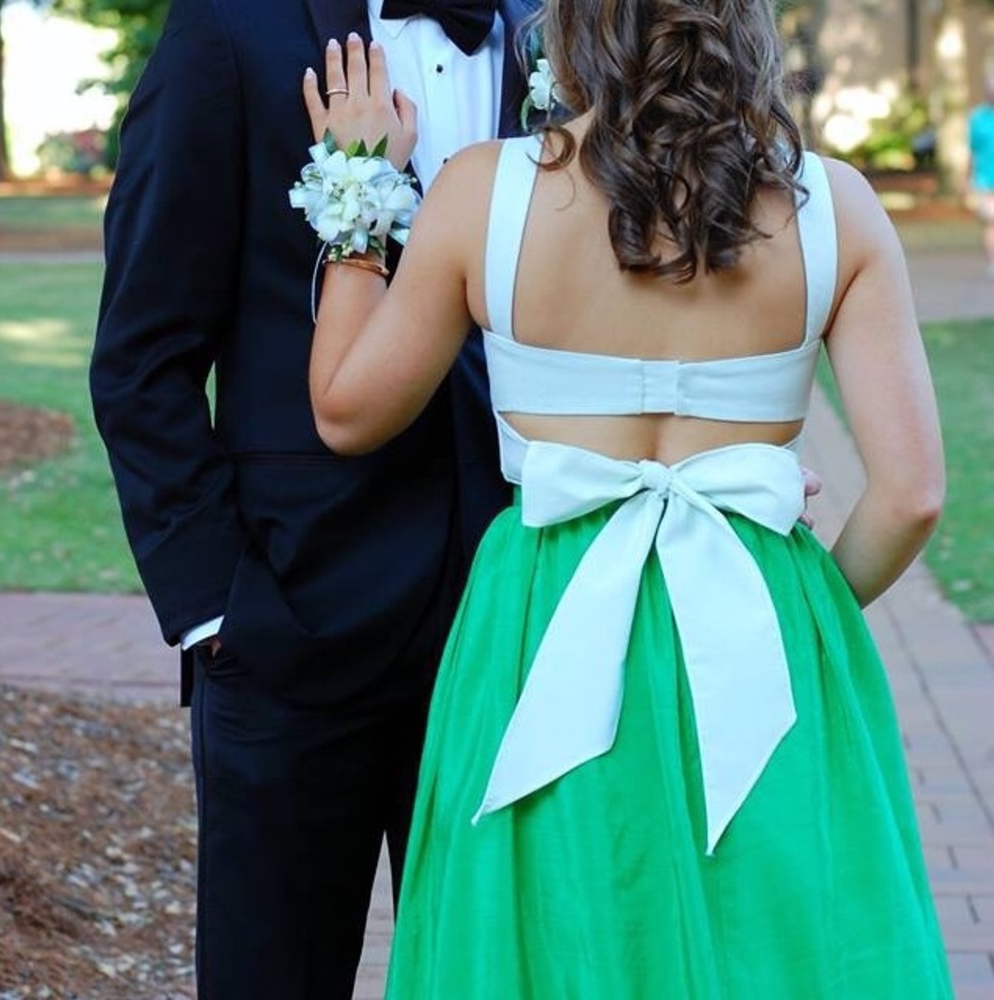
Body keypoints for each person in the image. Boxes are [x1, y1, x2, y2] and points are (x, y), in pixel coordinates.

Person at [300, 0, 952, 995]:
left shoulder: (482, 192)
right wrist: (803, 611)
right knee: (774, 925)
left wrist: (357, 195)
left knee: (554, 925)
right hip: (751, 611)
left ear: (574, 27)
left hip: (539, 616)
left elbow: (347, 413)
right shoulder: (839, 206)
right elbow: (909, 495)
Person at [88, 0, 540, 996]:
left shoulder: (565, 34)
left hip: (514, 628)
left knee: (505, 975)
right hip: (288, 624)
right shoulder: (230, 31)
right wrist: (218, 608)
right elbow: (141, 359)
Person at [966, 73, 994, 276]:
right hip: (985, 179)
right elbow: (972, 151)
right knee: (992, 222)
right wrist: (966, 177)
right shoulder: (977, 118)